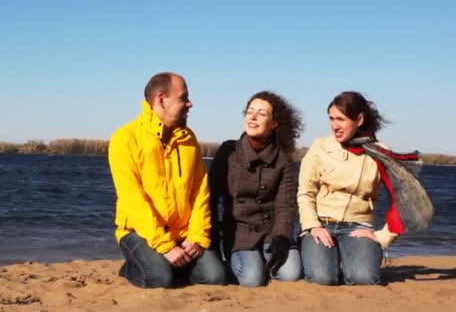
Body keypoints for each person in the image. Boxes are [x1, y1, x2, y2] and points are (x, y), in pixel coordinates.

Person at [107, 72, 228, 288]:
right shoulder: (125, 139)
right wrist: (165, 246)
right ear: (162, 100)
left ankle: (168, 265)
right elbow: (132, 199)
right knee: (160, 278)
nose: (190, 103)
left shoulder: (189, 139)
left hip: (184, 235)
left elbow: (201, 191)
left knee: (215, 277)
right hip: (139, 233)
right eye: (184, 97)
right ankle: (131, 267)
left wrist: (197, 237)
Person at [298, 91, 398, 286]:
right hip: (322, 224)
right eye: (331, 119)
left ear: (359, 119)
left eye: (341, 119)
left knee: (364, 278)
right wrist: (313, 225)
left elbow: (405, 200)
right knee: (323, 278)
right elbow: (305, 191)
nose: (334, 125)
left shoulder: (380, 152)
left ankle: (352, 259)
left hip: (359, 226)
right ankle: (328, 257)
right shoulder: (320, 146)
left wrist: (382, 236)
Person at [209, 91, 303, 287]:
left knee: (291, 273)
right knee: (252, 279)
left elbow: (285, 205)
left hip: (272, 232)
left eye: (261, 113)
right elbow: (210, 197)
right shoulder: (229, 151)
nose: (252, 117)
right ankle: (246, 263)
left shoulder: (283, 157)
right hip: (239, 234)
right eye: (250, 112)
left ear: (274, 123)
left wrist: (283, 236)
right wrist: (212, 243)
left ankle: (263, 260)